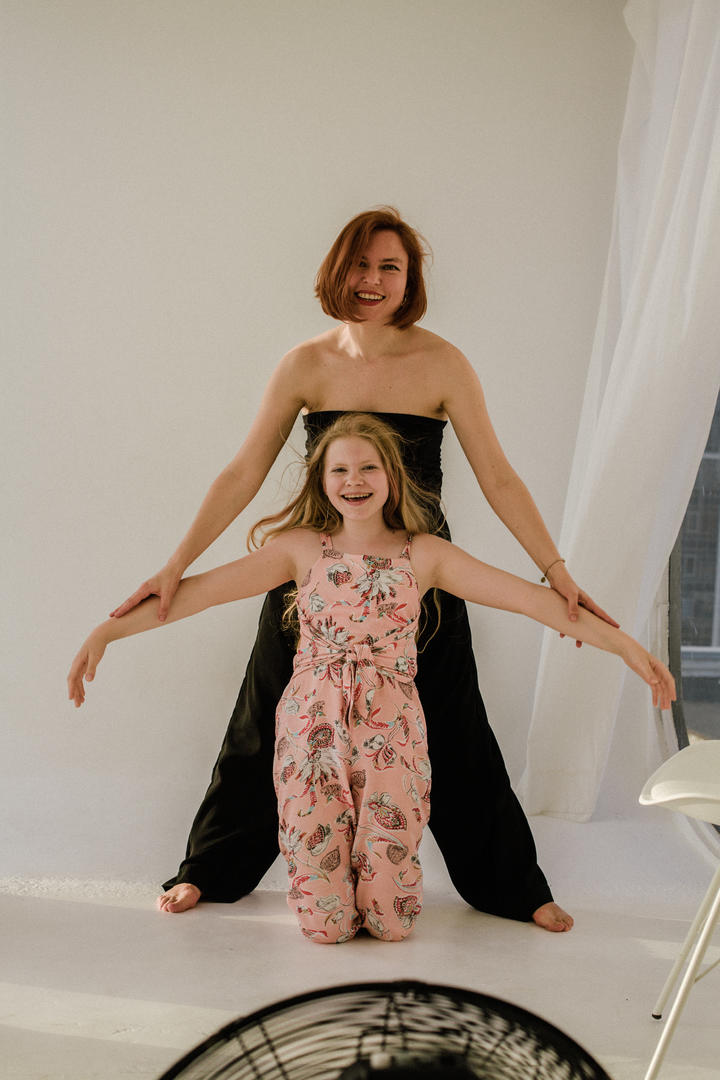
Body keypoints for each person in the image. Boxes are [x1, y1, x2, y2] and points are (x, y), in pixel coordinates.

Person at [108, 207, 619, 932]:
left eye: (390, 267)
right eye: (360, 264)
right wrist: (176, 564)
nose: (372, 280)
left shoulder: (443, 363)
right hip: (317, 574)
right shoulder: (306, 364)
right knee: (262, 717)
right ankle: (208, 870)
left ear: (410, 280)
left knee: (457, 723)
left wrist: (554, 569)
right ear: (336, 270)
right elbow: (243, 472)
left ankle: (514, 887)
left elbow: (500, 477)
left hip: (418, 577)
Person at [68, 414, 676, 944]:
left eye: (367, 468)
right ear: (320, 480)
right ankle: (308, 892)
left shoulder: (426, 554)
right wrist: (106, 632)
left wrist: (626, 646)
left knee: (391, 924)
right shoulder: (299, 549)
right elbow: (196, 594)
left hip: (392, 736)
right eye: (339, 470)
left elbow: (532, 601)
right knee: (325, 928)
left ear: (392, 476)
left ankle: (392, 896)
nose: (353, 481)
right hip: (311, 732)